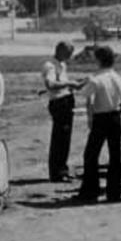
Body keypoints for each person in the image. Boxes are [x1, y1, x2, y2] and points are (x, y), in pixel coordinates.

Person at [76, 45, 121, 203]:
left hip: (100, 118)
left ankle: (90, 190)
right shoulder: (120, 79)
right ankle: (114, 192)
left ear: (98, 60)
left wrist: (90, 118)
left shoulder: (95, 79)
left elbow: (86, 97)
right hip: (115, 117)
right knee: (115, 155)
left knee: (91, 154)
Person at [43, 41, 78, 181]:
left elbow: (60, 83)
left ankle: (62, 168)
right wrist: (69, 83)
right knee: (59, 138)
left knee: (65, 138)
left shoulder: (62, 65)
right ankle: (57, 171)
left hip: (66, 100)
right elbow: (50, 84)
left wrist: (72, 85)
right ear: (60, 50)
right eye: (68, 53)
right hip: (59, 103)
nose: (70, 56)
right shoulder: (50, 66)